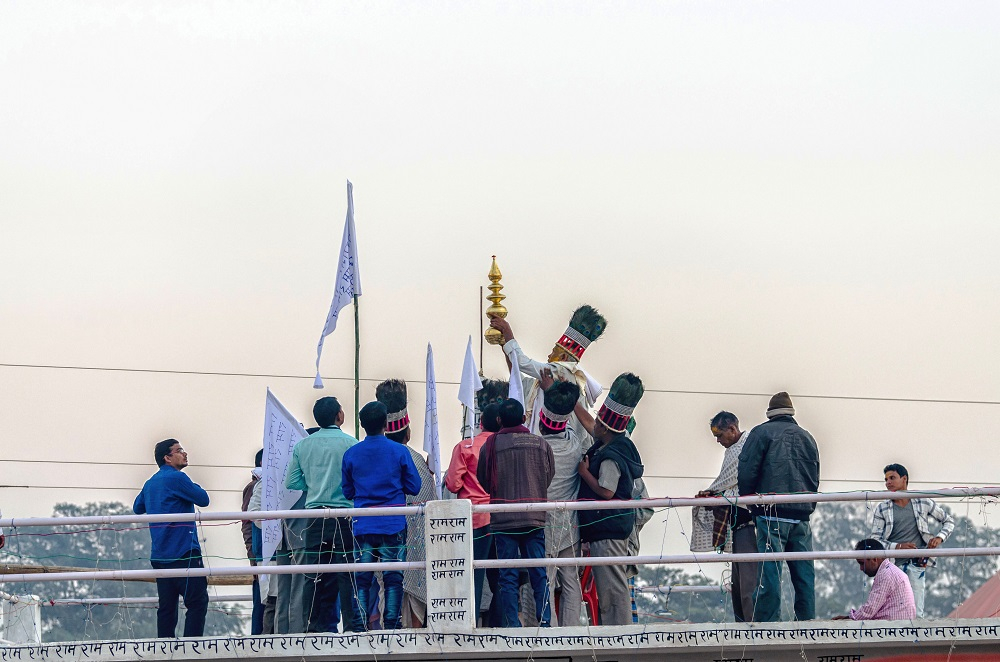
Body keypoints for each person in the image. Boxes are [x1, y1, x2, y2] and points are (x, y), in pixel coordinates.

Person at [738, 392, 820, 622]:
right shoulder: (807, 437)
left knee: (771, 572)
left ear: (769, 413)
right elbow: (815, 477)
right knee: (804, 574)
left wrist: (751, 503)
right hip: (802, 513)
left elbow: (746, 472)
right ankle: (806, 621)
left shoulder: (761, 433)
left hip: (771, 511)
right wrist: (808, 504)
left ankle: (768, 622)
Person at [284, 397, 364, 633]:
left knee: (316, 574)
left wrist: (315, 484)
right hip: (345, 516)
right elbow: (357, 481)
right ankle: (351, 625)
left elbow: (292, 481)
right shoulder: (351, 444)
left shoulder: (303, 446)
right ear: (339, 416)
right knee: (346, 572)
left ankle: (316, 625)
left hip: (315, 518)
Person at [342, 400, 422, 630]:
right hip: (393, 523)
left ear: (362, 424)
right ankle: (392, 625)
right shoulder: (399, 451)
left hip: (363, 525)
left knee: (363, 579)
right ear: (386, 424)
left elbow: (347, 490)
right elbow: (414, 486)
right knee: (393, 578)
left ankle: (360, 627)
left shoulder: (351, 454)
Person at [477, 398, 555, 627]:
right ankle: (545, 622)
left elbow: (483, 480)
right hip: (534, 517)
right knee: (538, 572)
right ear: (523, 419)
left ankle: (513, 624)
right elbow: (547, 477)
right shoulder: (541, 444)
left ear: (499, 420)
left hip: (504, 520)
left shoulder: (490, 445)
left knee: (507, 576)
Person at [576, 372, 646, 626]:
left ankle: (619, 633)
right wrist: (574, 401)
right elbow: (588, 422)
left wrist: (584, 473)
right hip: (608, 529)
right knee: (608, 588)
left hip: (608, 530)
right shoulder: (614, 444)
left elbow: (607, 491)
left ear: (605, 428)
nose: (594, 424)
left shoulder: (610, 456)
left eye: (598, 422)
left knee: (613, 589)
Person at [375, 378, 437, 628]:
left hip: (386, 542)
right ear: (408, 432)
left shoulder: (375, 458)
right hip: (412, 546)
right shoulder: (418, 463)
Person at [133, 439, 210, 638]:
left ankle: (163, 652)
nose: (184, 453)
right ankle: (191, 649)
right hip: (184, 552)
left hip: (160, 556)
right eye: (179, 450)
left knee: (167, 608)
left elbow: (137, 508)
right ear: (167, 458)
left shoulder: (151, 483)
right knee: (197, 603)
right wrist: (193, 486)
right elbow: (203, 499)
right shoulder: (178, 478)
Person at [489, 305, 606, 436]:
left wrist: (507, 331)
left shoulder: (561, 370)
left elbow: (522, 363)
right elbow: (520, 380)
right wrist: (505, 348)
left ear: (563, 357)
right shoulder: (549, 378)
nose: (549, 356)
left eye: (553, 352)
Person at [445, 378, 507, 621]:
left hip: (473, 520)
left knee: (473, 576)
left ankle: (470, 624)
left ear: (480, 422)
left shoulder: (465, 447)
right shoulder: (507, 446)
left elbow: (452, 484)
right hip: (502, 520)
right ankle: (501, 624)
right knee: (502, 578)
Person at [537, 370, 590, 627]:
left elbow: (557, 417)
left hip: (544, 522)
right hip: (569, 523)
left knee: (545, 579)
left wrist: (548, 391)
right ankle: (571, 631)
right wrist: (554, 393)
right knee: (571, 580)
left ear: (540, 419)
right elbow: (566, 420)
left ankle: (550, 631)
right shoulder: (575, 443)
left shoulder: (536, 447)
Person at [697, 411, 759, 622]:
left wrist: (711, 491)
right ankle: (741, 625)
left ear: (732, 429)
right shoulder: (731, 449)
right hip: (736, 524)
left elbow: (731, 478)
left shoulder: (746, 445)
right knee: (738, 583)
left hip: (749, 522)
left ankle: (753, 628)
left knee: (749, 584)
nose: (718, 440)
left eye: (720, 434)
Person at [871, 463, 954, 618]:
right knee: (892, 611)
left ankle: (916, 641)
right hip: (892, 565)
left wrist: (939, 538)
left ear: (904, 479)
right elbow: (875, 540)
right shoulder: (882, 508)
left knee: (916, 612)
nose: (888, 482)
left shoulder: (922, 501)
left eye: (892, 478)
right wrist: (898, 547)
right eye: (886, 479)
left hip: (917, 563)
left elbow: (948, 521)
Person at [833, 539, 916, 621]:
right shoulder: (890, 570)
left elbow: (869, 610)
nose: (861, 568)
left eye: (862, 563)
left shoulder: (886, 574)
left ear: (874, 559)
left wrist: (848, 618)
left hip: (892, 629)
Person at [241, 449, 264, 635]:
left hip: (269, 553)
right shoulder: (254, 487)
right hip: (261, 554)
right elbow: (247, 524)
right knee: (262, 603)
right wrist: (253, 558)